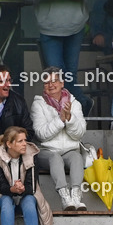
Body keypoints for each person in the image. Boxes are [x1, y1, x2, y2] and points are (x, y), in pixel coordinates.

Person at [0, 126, 53, 225]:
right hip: (2, 194)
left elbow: (32, 186)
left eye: (25, 140)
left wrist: (22, 189)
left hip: (27, 193)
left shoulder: (32, 154)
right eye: (20, 141)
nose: (25, 144)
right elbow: (1, 186)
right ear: (9, 144)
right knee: (6, 201)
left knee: (29, 200)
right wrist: (12, 189)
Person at [30, 68, 87, 211]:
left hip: (69, 150)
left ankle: (76, 197)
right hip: (47, 151)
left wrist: (69, 119)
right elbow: (40, 134)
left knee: (76, 157)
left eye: (54, 81)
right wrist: (60, 120)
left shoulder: (74, 103)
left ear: (62, 83)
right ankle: (64, 196)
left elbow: (79, 134)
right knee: (55, 157)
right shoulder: (38, 104)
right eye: (46, 82)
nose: (50, 85)